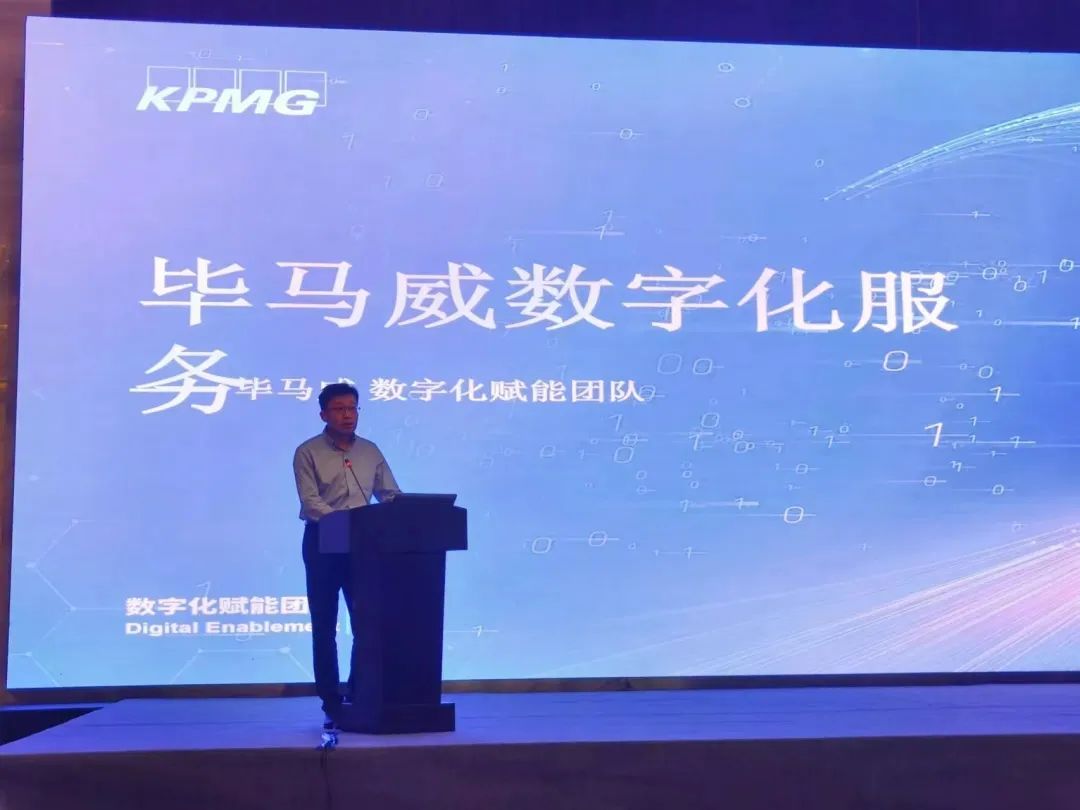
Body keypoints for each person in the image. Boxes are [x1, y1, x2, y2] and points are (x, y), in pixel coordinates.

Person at [292, 382, 400, 728]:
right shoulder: (307, 451)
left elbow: (389, 494)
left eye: (352, 408)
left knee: (366, 623)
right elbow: (311, 503)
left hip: (365, 545)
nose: (347, 415)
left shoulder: (369, 451)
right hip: (326, 538)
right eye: (339, 409)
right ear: (323, 414)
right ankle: (331, 699)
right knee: (325, 626)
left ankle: (358, 692)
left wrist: (407, 512)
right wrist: (347, 524)